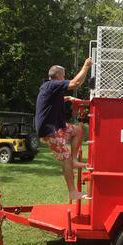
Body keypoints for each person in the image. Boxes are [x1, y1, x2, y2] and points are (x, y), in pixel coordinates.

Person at [35, 57, 92, 200]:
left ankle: (73, 160)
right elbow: (76, 83)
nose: (65, 78)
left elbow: (54, 98)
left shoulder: (51, 88)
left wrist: (68, 99)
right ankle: (72, 192)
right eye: (64, 75)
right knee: (64, 158)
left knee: (78, 130)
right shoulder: (51, 85)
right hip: (49, 130)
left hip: (58, 127)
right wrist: (86, 66)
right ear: (58, 76)